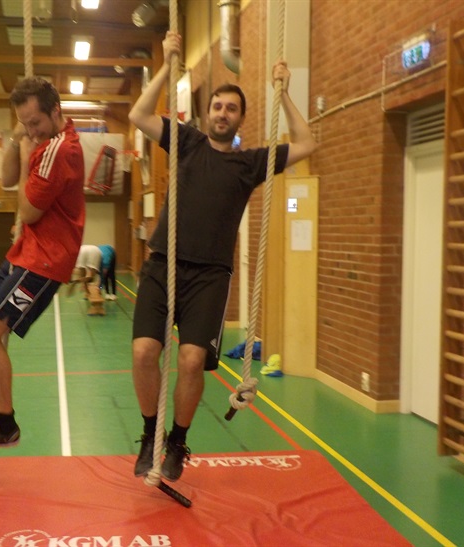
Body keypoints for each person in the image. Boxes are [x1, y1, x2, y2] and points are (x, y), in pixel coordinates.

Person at [128, 31, 317, 482]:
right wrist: (167, 63)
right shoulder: (187, 141)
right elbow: (138, 115)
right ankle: (151, 434)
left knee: (192, 361)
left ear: (240, 118)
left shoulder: (250, 163)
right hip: (162, 265)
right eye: (217, 106)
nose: (222, 113)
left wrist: (284, 94)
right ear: (207, 112)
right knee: (143, 352)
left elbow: (307, 143)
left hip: (210, 276)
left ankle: (178, 441)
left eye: (231, 108)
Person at [0, 77, 85, 453]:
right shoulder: (39, 139)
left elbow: (26, 210)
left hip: (45, 260)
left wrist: (28, 155)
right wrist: (17, 139)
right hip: (25, 252)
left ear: (56, 111)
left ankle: (5, 424)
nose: (32, 131)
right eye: (25, 123)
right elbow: (6, 179)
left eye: (36, 123)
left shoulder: (59, 150)